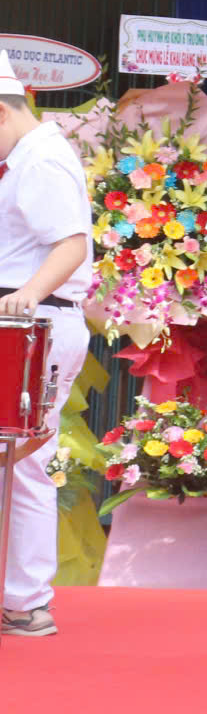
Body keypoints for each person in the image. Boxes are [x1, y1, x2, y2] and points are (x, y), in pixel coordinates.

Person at [0, 52, 95, 638]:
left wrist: (27, 295)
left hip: (28, 327)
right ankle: (23, 600)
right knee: (21, 464)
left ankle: (25, 600)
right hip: (28, 324)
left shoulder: (40, 160)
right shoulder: (28, 156)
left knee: (23, 463)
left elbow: (72, 243)